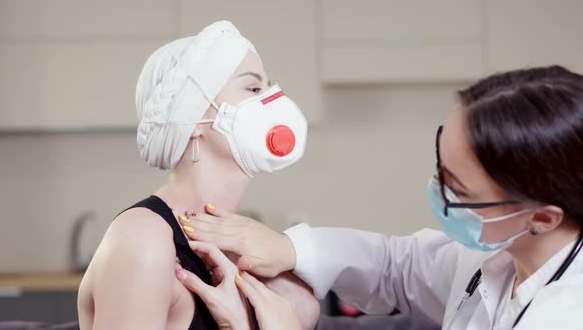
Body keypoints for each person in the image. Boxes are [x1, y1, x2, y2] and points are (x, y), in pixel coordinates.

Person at [176, 65, 583, 329]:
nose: (437, 189)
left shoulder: (563, 316)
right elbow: (397, 268)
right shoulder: (502, 257)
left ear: (543, 218)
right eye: (440, 167)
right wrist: (291, 248)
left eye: (457, 189)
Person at [77, 20, 319, 330]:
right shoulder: (143, 239)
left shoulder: (247, 257)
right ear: (190, 119)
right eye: (253, 88)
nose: (271, 102)